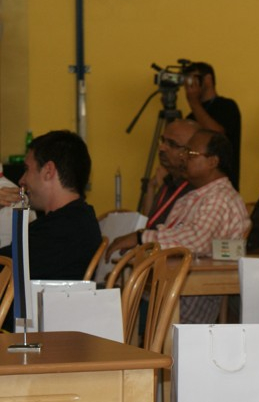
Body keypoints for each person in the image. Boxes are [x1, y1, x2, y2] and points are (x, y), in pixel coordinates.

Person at [107, 130, 250, 324]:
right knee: (111, 304)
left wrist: (141, 238)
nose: (183, 157)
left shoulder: (220, 198)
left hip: (188, 300)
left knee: (111, 314)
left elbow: (196, 241)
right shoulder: (194, 196)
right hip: (168, 290)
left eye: (190, 154)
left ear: (212, 162)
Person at [0, 130, 102, 280]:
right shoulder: (78, 219)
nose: (21, 180)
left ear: (48, 171)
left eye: (27, 169)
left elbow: (4, 269)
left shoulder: (62, 231)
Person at [183, 62, 242, 189]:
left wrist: (193, 102)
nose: (189, 85)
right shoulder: (191, 116)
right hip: (195, 187)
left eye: (193, 79)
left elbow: (217, 135)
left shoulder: (227, 106)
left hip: (222, 187)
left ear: (208, 79)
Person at [141, 119, 199, 228]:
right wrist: (151, 188)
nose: (162, 148)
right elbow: (150, 225)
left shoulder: (196, 190)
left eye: (172, 144)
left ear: (191, 151)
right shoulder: (169, 179)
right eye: (163, 140)